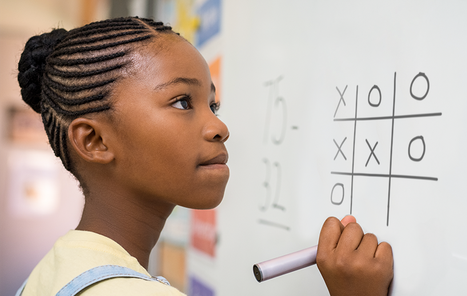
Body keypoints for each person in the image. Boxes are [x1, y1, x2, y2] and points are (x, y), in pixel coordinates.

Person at [16, 17, 394, 296]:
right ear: (95, 140)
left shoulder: (59, 267)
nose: (219, 127)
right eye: (183, 102)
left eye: (213, 104)